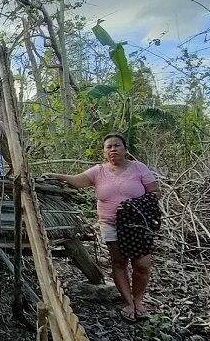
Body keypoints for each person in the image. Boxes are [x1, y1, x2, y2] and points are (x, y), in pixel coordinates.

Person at [46, 134, 160, 321]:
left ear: (125, 148)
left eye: (117, 145)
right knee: (118, 262)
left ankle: (138, 300)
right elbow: (77, 180)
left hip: (138, 224)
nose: (113, 149)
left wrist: (133, 206)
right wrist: (55, 176)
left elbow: (155, 192)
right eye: (109, 147)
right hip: (110, 224)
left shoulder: (139, 168)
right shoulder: (99, 171)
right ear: (104, 151)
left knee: (142, 265)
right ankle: (128, 303)